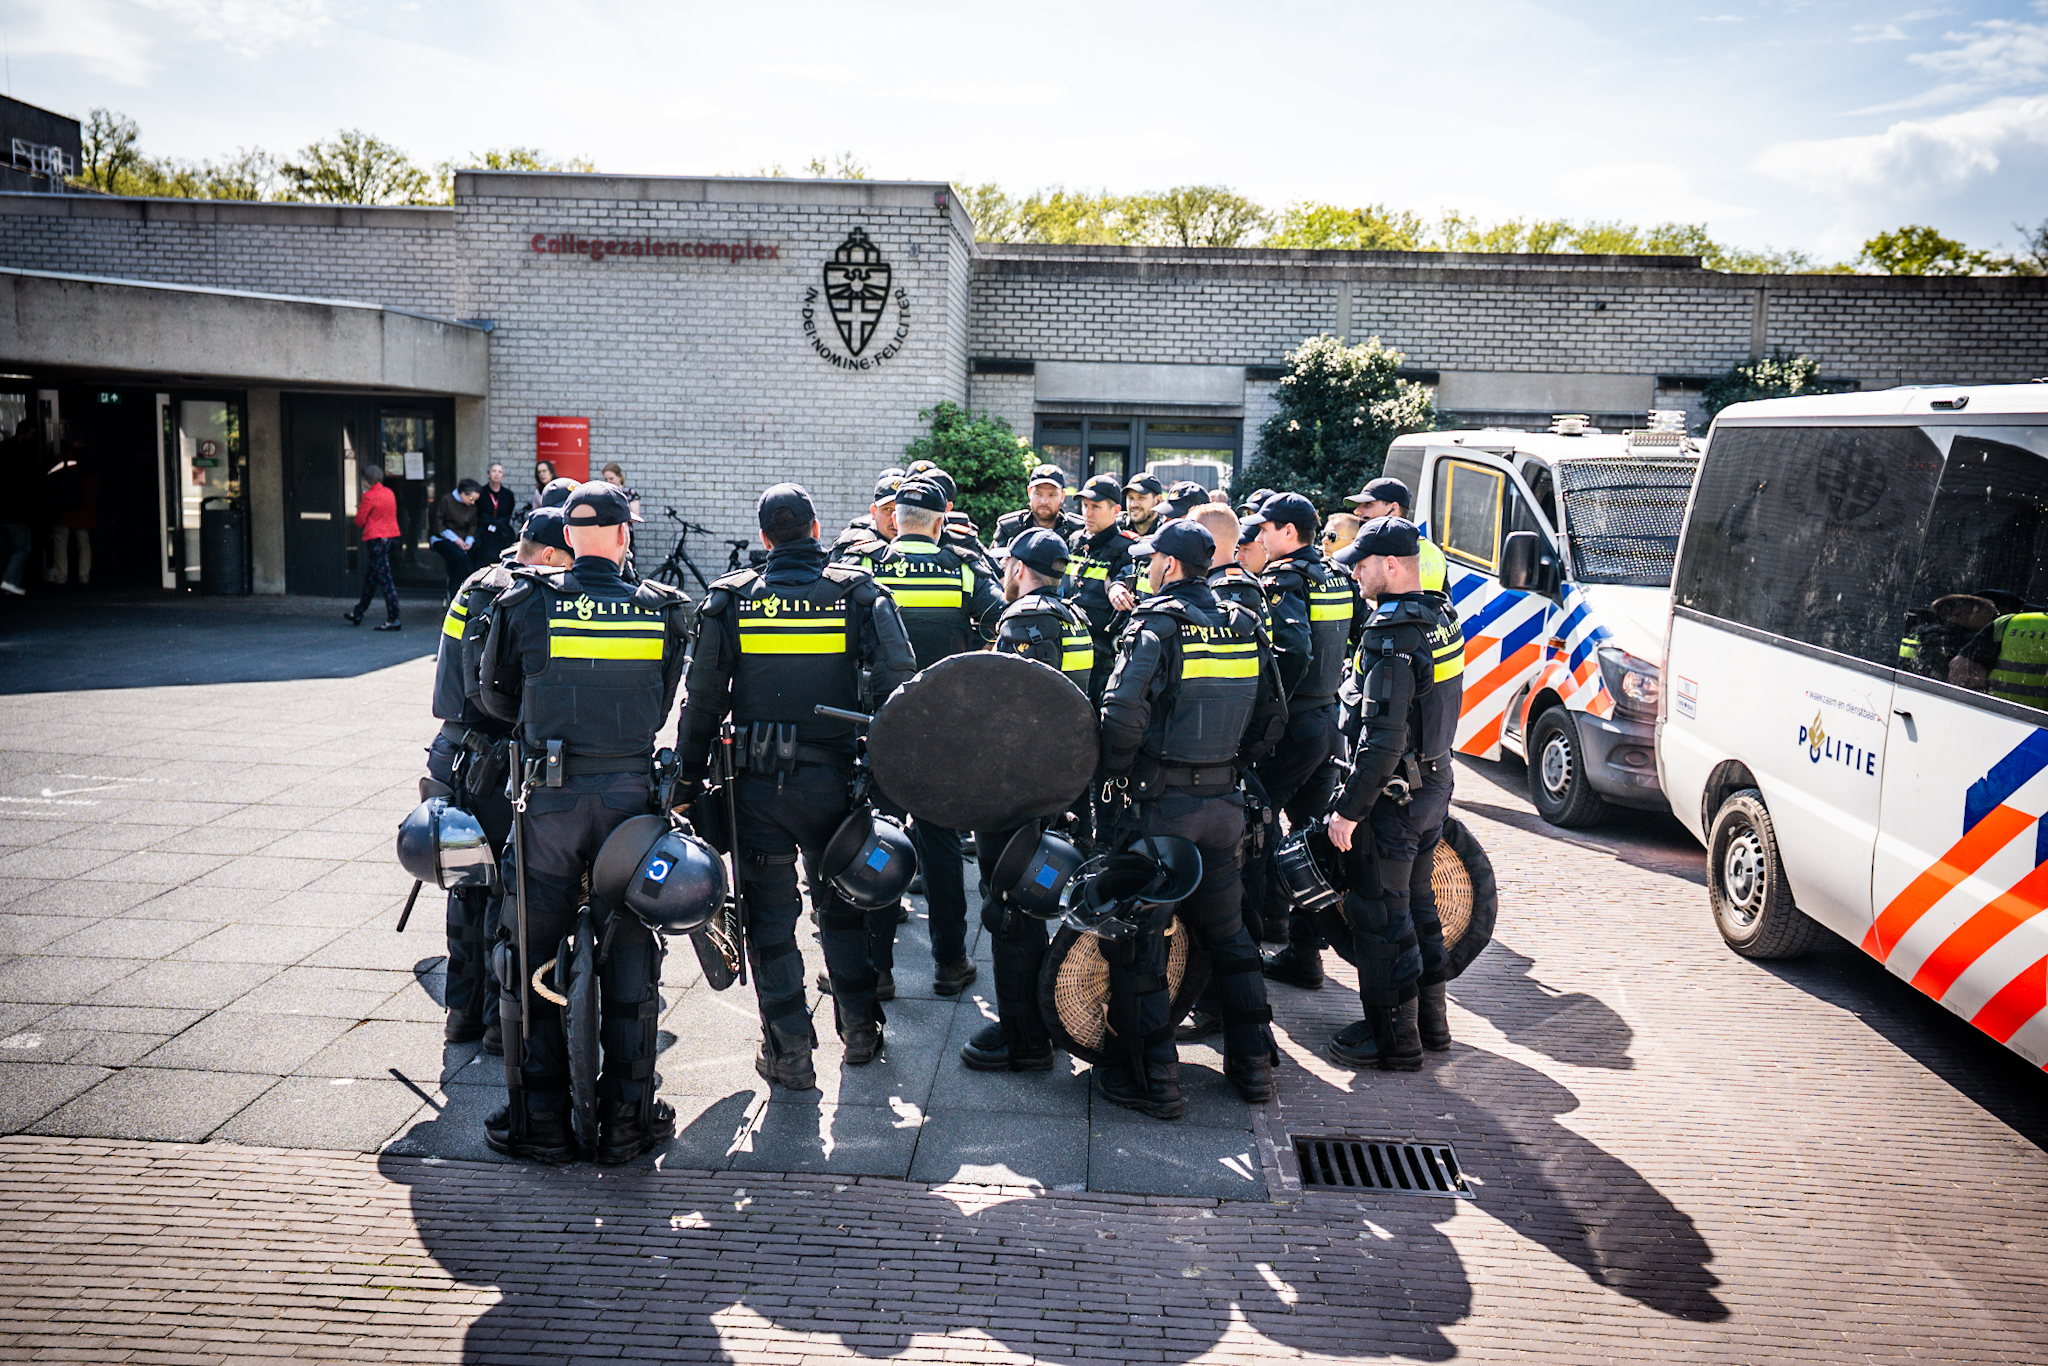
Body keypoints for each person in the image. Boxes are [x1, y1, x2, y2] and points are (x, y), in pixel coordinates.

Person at [475, 481, 692, 1164]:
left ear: (567, 537)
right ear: (625, 536)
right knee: (631, 952)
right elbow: (662, 705)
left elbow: (494, 694)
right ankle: (628, 1118)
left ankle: (540, 1120)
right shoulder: (663, 609)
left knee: (530, 949)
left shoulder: (525, 602)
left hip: (548, 804)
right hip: (629, 803)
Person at [675, 484, 918, 1087]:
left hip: (755, 788)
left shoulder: (730, 600)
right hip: (835, 784)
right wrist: (886, 777)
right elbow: (900, 684)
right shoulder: (859, 593)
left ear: (764, 538)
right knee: (844, 906)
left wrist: (686, 780)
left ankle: (789, 1053)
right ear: (815, 529)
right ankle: (859, 1030)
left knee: (768, 919)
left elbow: (702, 702)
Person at [1096, 519, 1286, 1118]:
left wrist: (1115, 775)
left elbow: (1121, 715)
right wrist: (1230, 764)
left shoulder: (1154, 626)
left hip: (1162, 813)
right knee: (1230, 935)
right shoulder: (1244, 623)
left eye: (1153, 559)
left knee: (1141, 942)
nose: (1148, 567)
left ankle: (1155, 1081)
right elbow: (1273, 717)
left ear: (1171, 565)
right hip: (1224, 808)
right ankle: (1253, 1067)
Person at [423, 506, 575, 1052]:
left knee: (467, 889)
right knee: (504, 894)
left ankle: (461, 1015)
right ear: (551, 554)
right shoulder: (519, 594)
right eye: (572, 557)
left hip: (453, 755)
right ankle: (495, 1024)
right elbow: (495, 693)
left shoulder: (477, 581)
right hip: (492, 762)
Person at [1321, 517, 1465, 1070]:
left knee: (1382, 914)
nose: (1354, 573)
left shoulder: (1391, 635)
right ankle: (1432, 1024)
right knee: (1419, 904)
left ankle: (1394, 1038)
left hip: (1395, 797)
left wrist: (1349, 810)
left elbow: (1382, 740)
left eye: (1362, 564)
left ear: (1391, 565)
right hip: (1434, 784)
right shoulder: (1439, 618)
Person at [960, 528, 1094, 1073]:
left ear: (1017, 568)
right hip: (1062, 780)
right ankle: (1041, 1021)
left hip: (1018, 789)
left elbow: (1011, 711)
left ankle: (1024, 1038)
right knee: (1034, 903)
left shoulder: (1024, 621)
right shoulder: (1074, 616)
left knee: (1010, 910)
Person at [872, 477, 1005, 996]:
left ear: (895, 518)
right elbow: (1000, 619)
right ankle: (950, 962)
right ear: (940, 522)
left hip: (881, 726)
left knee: (878, 840)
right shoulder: (964, 567)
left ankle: (877, 969)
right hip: (943, 728)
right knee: (941, 843)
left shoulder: (867, 566)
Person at [1245, 493, 1358, 989]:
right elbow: (1356, 636)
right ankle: (1305, 952)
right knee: (1312, 838)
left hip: (1294, 726)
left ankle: (1253, 938)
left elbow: (1293, 650)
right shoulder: (1336, 575)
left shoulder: (1284, 580)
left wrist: (1271, 709)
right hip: (1328, 721)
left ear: (1288, 532)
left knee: (1254, 823)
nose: (1260, 537)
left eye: (1265, 529)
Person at [1066, 473, 1143, 704]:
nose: (1088, 513)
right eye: (1085, 506)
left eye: (1096, 507)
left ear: (1116, 510)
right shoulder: (1075, 541)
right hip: (1069, 648)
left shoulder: (1128, 548)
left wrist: (1117, 586)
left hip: (1103, 658)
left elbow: (1130, 580)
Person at [1347, 477, 1447, 594]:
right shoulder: (1435, 552)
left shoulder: (1377, 551)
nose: (1357, 511)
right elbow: (1445, 600)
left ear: (1393, 508)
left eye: (1368, 504)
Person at [345, 464, 403, 631]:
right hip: (391, 537)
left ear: (365, 480)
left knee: (385, 580)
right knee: (372, 577)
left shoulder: (369, 496)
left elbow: (360, 521)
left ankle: (393, 618)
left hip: (376, 539)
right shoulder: (389, 492)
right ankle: (358, 612)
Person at [45, 437, 96, 587]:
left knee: (60, 542)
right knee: (84, 543)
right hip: (86, 508)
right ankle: (84, 577)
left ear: (74, 442)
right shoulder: (93, 460)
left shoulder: (65, 458)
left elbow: (46, 474)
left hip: (65, 507)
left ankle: (60, 578)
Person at [992, 464, 1084, 548]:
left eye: (1052, 495)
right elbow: (994, 560)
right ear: (1029, 492)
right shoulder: (1010, 529)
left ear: (1062, 496)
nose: (1044, 501)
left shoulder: (1077, 531)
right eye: (1038, 494)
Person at [829, 471, 900, 566]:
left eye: (901, 511)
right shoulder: (852, 543)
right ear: (873, 512)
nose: (894, 518)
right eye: (887, 509)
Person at [429, 479, 482, 599]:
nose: (472, 502)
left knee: (459, 564)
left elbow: (473, 525)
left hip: (463, 539)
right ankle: (470, 582)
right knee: (459, 557)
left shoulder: (471, 506)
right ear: (462, 493)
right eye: (471, 499)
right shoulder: (446, 500)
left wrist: (469, 541)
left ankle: (458, 593)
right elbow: (438, 524)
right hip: (442, 538)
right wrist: (456, 539)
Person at [0, 419, 33, 596]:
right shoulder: (23, 454)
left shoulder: (4, 449)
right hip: (16, 510)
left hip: (6, 509)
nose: (35, 438)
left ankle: (8, 582)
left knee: (6, 549)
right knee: (22, 548)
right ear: (22, 433)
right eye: (33, 434)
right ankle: (9, 581)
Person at [471, 463, 519, 568]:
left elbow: (509, 512)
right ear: (488, 474)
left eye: (499, 472)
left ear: (502, 475)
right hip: (484, 531)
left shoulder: (508, 494)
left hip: (502, 531)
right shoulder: (480, 493)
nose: (496, 474)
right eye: (494, 471)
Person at [1121, 472, 1166, 538]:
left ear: (1158, 500)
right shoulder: (1117, 529)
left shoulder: (1167, 533)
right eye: (1130, 498)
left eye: (1141, 497)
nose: (1134, 504)